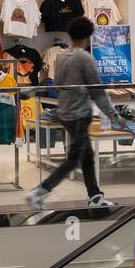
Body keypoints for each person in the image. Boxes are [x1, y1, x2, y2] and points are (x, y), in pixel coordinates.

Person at [25, 16, 125, 211]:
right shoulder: (85, 58)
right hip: (79, 114)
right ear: (88, 36)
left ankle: (95, 196)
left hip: (65, 112)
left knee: (87, 156)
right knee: (73, 159)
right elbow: (97, 91)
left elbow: (59, 84)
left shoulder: (62, 55)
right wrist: (114, 115)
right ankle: (39, 191)